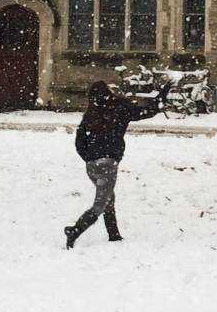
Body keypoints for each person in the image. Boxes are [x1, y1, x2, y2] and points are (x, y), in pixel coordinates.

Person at [64, 77, 170, 249]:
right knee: (100, 204)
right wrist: (163, 94)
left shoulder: (90, 115)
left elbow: (79, 142)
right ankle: (75, 231)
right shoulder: (120, 109)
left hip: (91, 166)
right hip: (108, 163)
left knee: (108, 198)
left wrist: (90, 158)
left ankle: (114, 235)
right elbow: (148, 110)